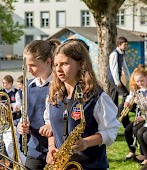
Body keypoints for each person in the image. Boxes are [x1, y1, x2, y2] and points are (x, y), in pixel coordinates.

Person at [44, 40, 121, 169]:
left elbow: (110, 132)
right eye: (56, 64)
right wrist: (51, 147)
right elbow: (51, 126)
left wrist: (85, 143)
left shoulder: (97, 97)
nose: (58, 69)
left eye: (64, 64)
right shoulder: (53, 96)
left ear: (80, 64)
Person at [17, 39, 60, 170]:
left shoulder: (60, 85)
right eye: (26, 65)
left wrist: (51, 124)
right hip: (34, 148)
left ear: (48, 62)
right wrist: (23, 125)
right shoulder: (29, 86)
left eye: (33, 65)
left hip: (56, 149)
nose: (28, 69)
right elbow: (27, 114)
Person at [124, 67, 147, 160]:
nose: (139, 83)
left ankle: (144, 154)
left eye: (142, 81)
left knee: (139, 131)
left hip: (144, 117)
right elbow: (130, 95)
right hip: (142, 116)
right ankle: (132, 151)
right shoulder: (138, 90)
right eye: (137, 81)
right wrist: (127, 101)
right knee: (127, 130)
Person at [108, 37, 130, 128]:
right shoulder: (114, 54)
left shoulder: (121, 53)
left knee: (114, 99)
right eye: (125, 44)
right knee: (126, 94)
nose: (126, 46)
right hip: (113, 78)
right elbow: (113, 68)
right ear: (119, 44)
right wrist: (117, 81)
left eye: (126, 44)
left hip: (116, 77)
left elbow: (124, 66)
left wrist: (128, 77)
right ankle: (120, 112)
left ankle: (111, 119)